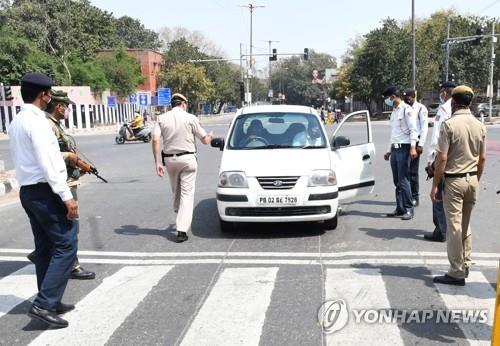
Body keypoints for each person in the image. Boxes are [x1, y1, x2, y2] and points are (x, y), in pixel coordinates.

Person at [9, 73, 78, 328]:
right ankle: (44, 303)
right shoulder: (38, 122)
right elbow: (48, 163)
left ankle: (51, 298)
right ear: (42, 95)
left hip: (29, 191)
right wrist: (67, 197)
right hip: (45, 191)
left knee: (46, 248)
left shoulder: (18, 120)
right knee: (67, 244)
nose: (50, 97)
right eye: (49, 93)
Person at [33, 90, 94, 279]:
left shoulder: (55, 125)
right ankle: (72, 266)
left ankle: (42, 254)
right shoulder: (47, 126)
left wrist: (81, 166)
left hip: (66, 178)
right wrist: (72, 159)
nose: (67, 110)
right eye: (66, 106)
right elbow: (48, 156)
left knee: (60, 224)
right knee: (70, 225)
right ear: (58, 106)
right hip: (62, 182)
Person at [431, 85, 486, 286]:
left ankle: (456, 271)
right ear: (469, 102)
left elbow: (442, 159)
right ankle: (466, 262)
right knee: (465, 223)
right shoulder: (479, 125)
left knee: (454, 226)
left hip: (454, 180)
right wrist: (475, 179)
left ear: (453, 102)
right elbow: (482, 159)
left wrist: (435, 185)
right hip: (472, 179)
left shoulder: (450, 125)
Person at [152, 93, 213, 243]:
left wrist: (157, 162)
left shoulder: (161, 118)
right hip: (188, 160)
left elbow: (155, 139)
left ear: (172, 104)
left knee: (176, 190)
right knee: (186, 194)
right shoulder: (191, 118)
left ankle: (179, 211)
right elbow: (205, 140)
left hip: (170, 160)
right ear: (184, 104)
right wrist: (210, 135)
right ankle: (181, 231)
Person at [424, 81, 456, 242]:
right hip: (455, 158)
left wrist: (431, 160)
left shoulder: (444, 109)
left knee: (437, 195)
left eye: (442, 91)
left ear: (445, 92)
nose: (440, 94)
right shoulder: (460, 108)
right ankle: (447, 229)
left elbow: (437, 137)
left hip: (441, 155)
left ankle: (441, 231)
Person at [382, 86, 418, 220]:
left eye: (387, 98)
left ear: (393, 97)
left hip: (404, 148)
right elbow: (393, 133)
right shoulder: (395, 111)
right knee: (397, 181)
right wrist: (388, 151)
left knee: (403, 180)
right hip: (395, 149)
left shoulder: (407, 110)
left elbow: (414, 129)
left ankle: (409, 208)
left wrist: (413, 147)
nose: (386, 101)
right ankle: (400, 207)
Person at [402, 88, 429, 207]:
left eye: (408, 97)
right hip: (405, 141)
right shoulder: (404, 108)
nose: (406, 99)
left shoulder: (421, 108)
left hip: (416, 141)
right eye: (405, 97)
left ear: (414, 96)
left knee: (413, 171)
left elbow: (424, 127)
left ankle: (415, 196)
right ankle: (407, 196)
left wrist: (421, 144)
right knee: (404, 171)